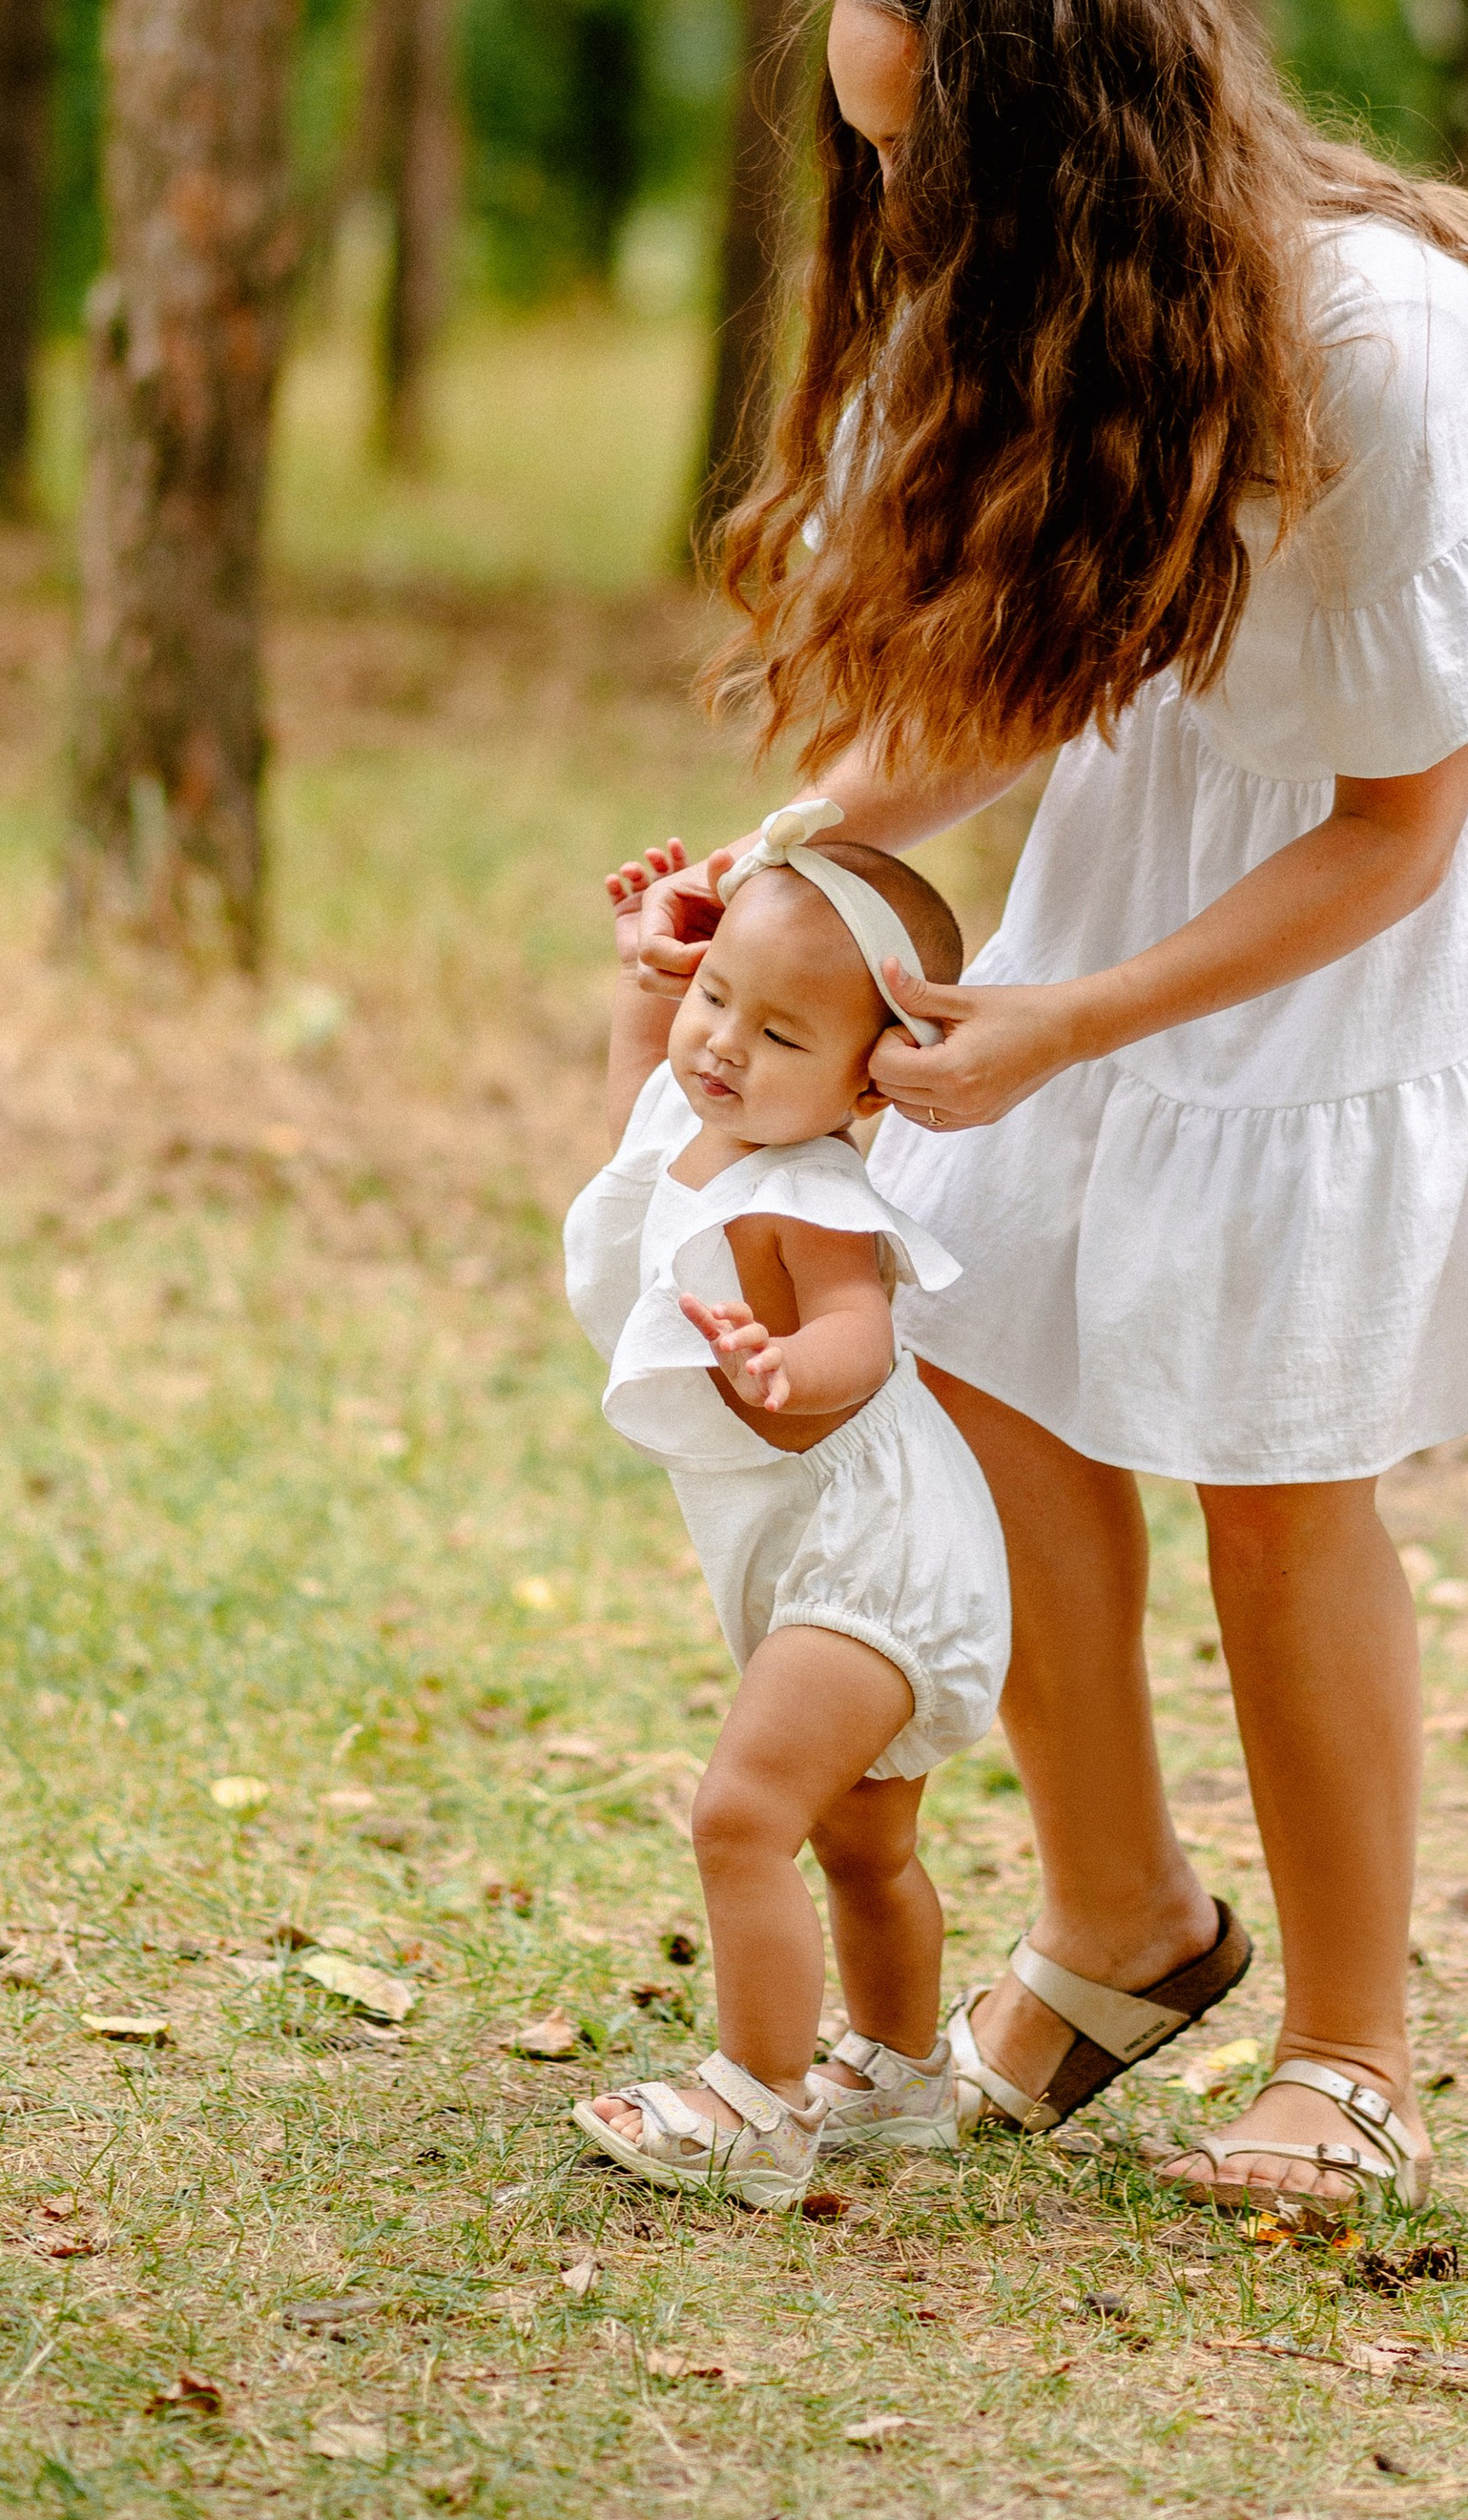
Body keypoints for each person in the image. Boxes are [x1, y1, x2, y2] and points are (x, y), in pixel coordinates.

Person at [641, 0, 1468, 2220]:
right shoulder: (1041, 309)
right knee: (977, 1325)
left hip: (1413, 844)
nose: (898, 214)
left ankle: (1348, 2051)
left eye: (926, 161)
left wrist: (1064, 1021)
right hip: (1211, 808)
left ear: (1070, 141)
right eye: (868, 158)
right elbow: (1020, 685)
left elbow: (1393, 818)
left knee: (1276, 1418)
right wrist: (772, 876)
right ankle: (1125, 1917)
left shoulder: (1365, 337)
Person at [563, 802, 1013, 2207]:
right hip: (823, 1539)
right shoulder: (703, 1109)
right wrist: (653, 975)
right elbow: (642, 1091)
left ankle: (753, 2105)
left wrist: (783, 1364)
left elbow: (858, 1340)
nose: (721, 1047)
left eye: (779, 1036)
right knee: (865, 1840)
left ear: (872, 1085)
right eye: (717, 1000)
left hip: (873, 1549)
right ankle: (894, 2073)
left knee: (741, 1815)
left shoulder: (814, 1189)